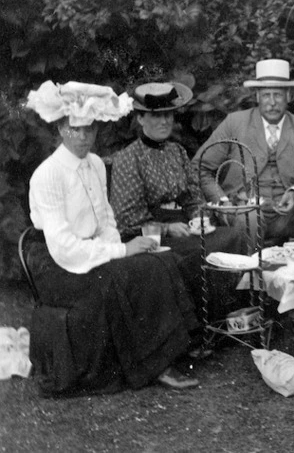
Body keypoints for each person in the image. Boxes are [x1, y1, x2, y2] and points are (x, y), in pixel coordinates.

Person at [26, 80, 200, 396]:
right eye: (74, 129)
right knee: (134, 272)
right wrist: (120, 251)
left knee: (156, 259)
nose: (82, 137)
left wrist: (116, 246)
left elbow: (106, 220)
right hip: (59, 265)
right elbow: (64, 247)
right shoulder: (48, 175)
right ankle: (154, 364)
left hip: (93, 250)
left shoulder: (94, 164)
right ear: (61, 128)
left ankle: (174, 348)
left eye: (89, 129)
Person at [109, 81, 242, 322]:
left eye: (168, 114)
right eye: (155, 115)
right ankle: (201, 328)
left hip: (183, 226)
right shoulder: (129, 158)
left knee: (233, 237)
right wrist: (167, 228)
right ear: (140, 118)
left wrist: (198, 217)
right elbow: (127, 219)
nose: (164, 121)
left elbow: (192, 196)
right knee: (197, 254)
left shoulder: (177, 151)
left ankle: (227, 318)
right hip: (149, 233)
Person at [192, 59, 294, 246]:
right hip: (243, 211)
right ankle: (248, 274)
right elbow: (200, 167)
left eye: (278, 95)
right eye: (266, 95)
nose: (272, 103)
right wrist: (222, 203)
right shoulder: (235, 123)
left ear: (288, 96)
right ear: (256, 96)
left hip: (288, 215)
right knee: (250, 218)